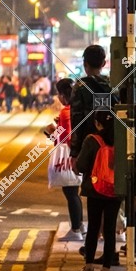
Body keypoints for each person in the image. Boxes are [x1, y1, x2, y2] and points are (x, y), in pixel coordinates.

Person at [75, 109, 121, 271]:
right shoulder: (121, 140)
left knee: (93, 228)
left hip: (95, 189)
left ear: (97, 123)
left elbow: (81, 165)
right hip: (115, 190)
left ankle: (88, 268)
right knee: (109, 230)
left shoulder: (91, 140)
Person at [47, 77, 82, 239]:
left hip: (69, 157)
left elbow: (66, 138)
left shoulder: (66, 111)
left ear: (62, 95)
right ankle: (79, 228)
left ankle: (76, 229)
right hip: (76, 154)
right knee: (73, 191)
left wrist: (51, 132)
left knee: (71, 192)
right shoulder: (76, 109)